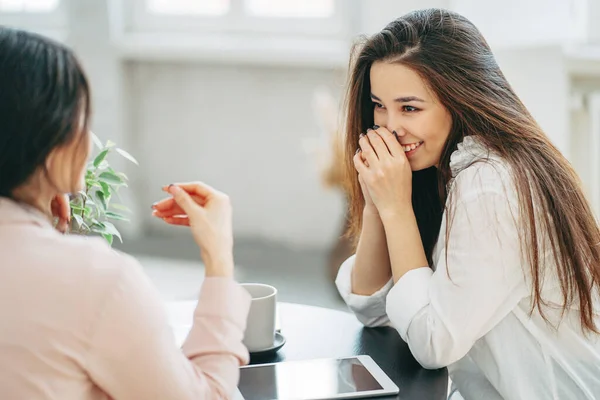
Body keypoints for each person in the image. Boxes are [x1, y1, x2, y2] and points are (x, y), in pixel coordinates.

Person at [334, 8, 600, 400]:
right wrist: (379, 201)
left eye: (410, 108)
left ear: (459, 100)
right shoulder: (438, 169)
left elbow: (433, 342)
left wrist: (396, 209)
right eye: (379, 105)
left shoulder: (489, 182)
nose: (389, 126)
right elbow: (375, 310)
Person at [0, 27, 250, 399]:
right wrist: (219, 260)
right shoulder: (94, 280)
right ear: (50, 145)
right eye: (81, 120)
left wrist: (41, 225)